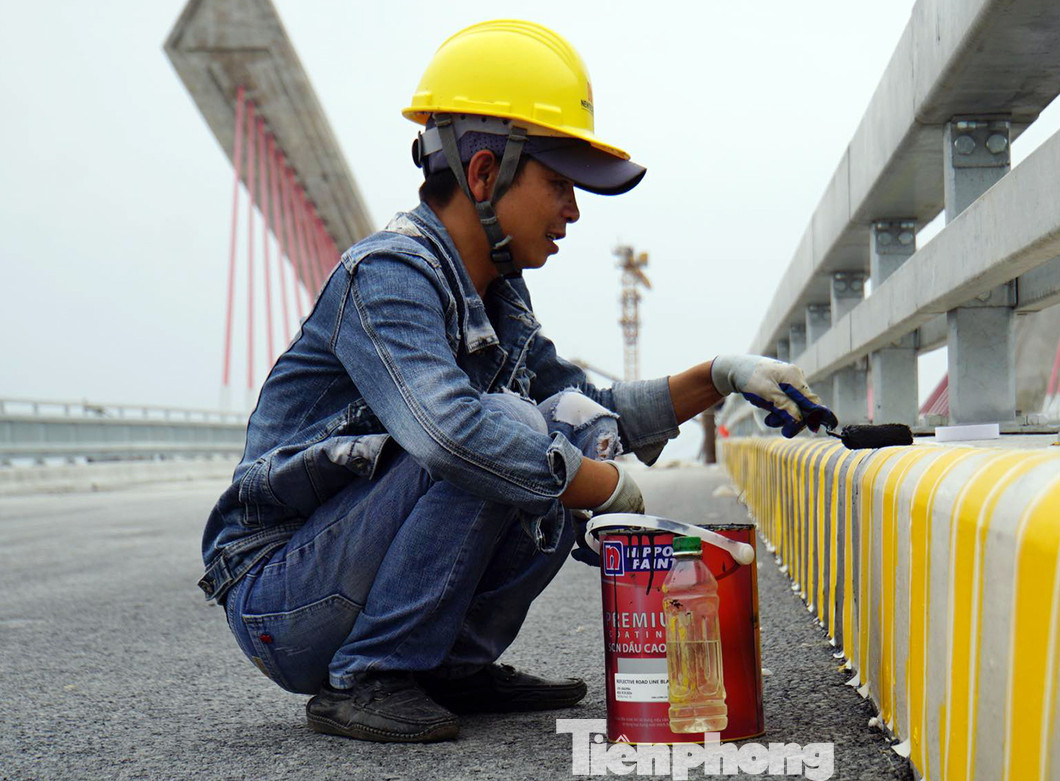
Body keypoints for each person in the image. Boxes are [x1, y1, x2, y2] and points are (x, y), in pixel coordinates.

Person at [198, 19, 832, 744]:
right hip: (284, 596)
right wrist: (597, 484)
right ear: (482, 174)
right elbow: (451, 433)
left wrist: (719, 376)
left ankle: (450, 666)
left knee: (554, 424)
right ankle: (369, 674)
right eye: (560, 184)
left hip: (338, 573)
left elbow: (592, 409)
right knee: (517, 435)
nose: (573, 210)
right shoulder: (386, 276)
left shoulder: (498, 298)